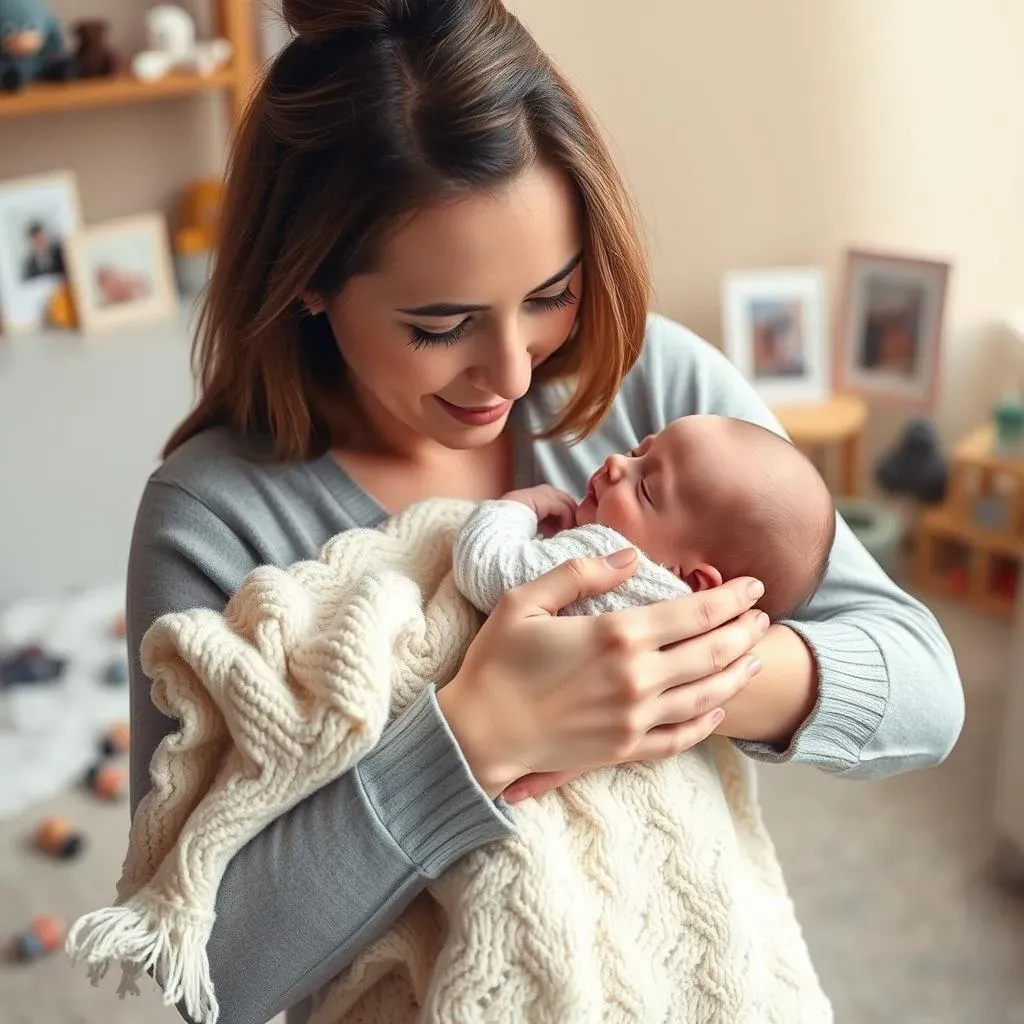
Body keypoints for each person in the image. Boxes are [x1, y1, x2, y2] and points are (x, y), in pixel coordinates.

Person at [124, 1, 964, 1022]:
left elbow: (924, 689)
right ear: (307, 280)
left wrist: (657, 681)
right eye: (441, 325)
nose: (514, 371)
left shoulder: (655, 391)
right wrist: (477, 740)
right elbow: (205, 968)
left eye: (551, 293)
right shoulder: (214, 516)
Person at [456, 414, 836, 628]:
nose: (617, 463)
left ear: (690, 580)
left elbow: (488, 571)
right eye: (638, 451)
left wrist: (514, 511)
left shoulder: (607, 559)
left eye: (647, 489)